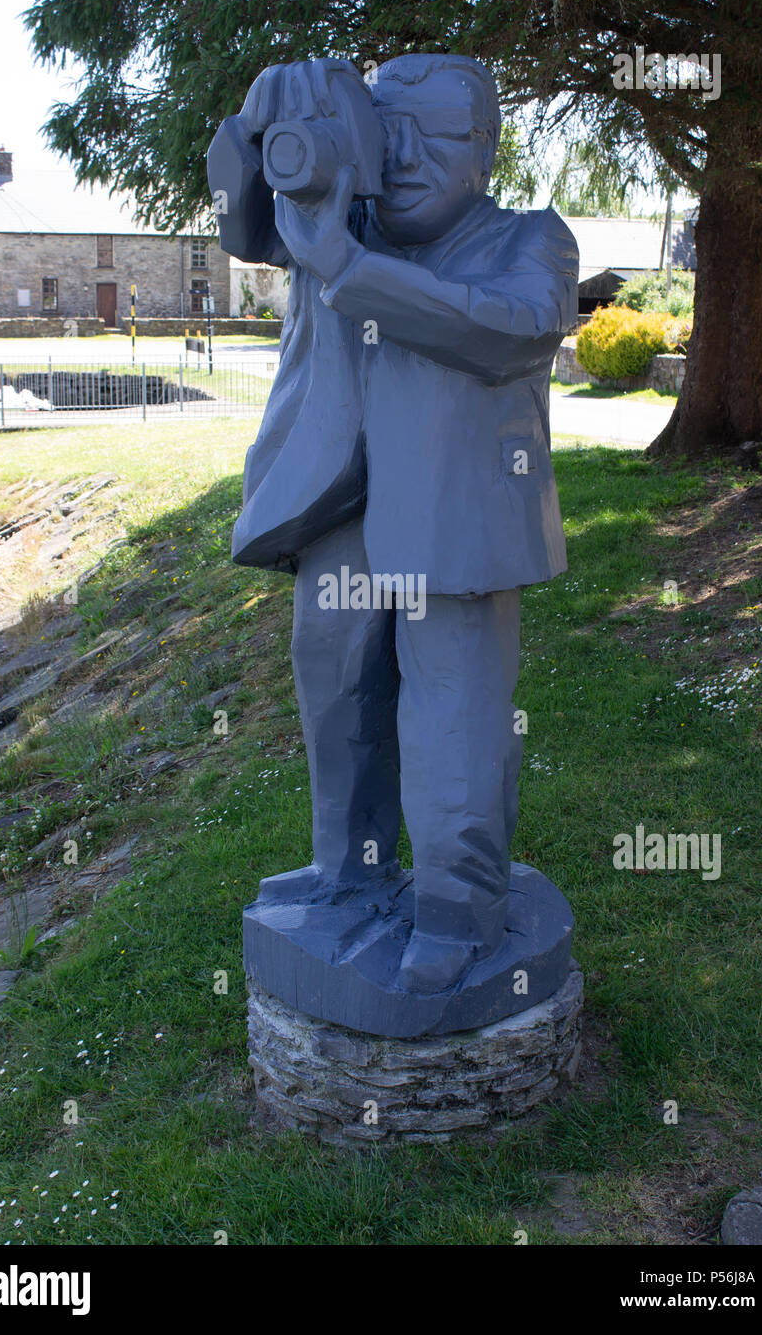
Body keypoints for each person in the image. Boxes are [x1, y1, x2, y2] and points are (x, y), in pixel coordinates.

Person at [207, 54, 577, 994]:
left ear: (485, 149)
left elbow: (503, 328)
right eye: (389, 130)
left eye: (436, 136)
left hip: (456, 532)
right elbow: (247, 221)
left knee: (454, 722)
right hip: (342, 511)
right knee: (336, 696)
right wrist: (258, 127)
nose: (404, 155)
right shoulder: (343, 214)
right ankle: (350, 872)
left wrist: (352, 268)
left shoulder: (529, 242)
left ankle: (460, 915)